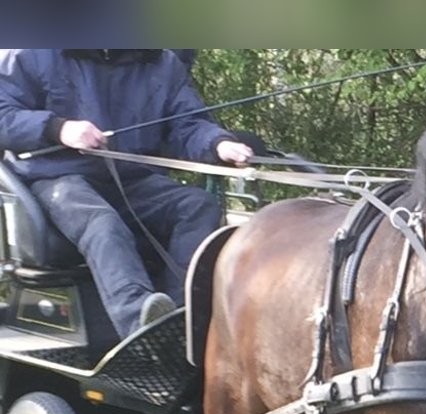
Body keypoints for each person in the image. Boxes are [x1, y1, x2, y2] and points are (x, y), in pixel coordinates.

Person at [0, 49, 255, 339]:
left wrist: (217, 144)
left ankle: (181, 320)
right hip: (56, 177)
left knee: (197, 206)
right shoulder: (35, 52)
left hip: (131, 179)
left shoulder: (160, 62)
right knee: (102, 223)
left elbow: (187, 124)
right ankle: (142, 331)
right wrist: (58, 128)